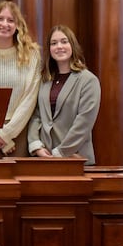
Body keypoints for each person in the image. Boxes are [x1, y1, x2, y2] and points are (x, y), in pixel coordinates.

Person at [28, 25, 101, 165]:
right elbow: (36, 115)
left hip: (75, 158)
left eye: (64, 41)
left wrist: (61, 152)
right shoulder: (45, 80)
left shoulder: (88, 80)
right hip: (44, 158)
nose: (59, 46)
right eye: (53, 43)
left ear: (72, 45)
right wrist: (35, 145)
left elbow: (84, 122)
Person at [0, 1, 41, 158]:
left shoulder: (31, 54)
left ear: (18, 25)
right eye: (0, 19)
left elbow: (30, 98)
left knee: (18, 181)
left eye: (11, 20)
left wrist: (7, 134)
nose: (4, 24)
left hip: (18, 132)